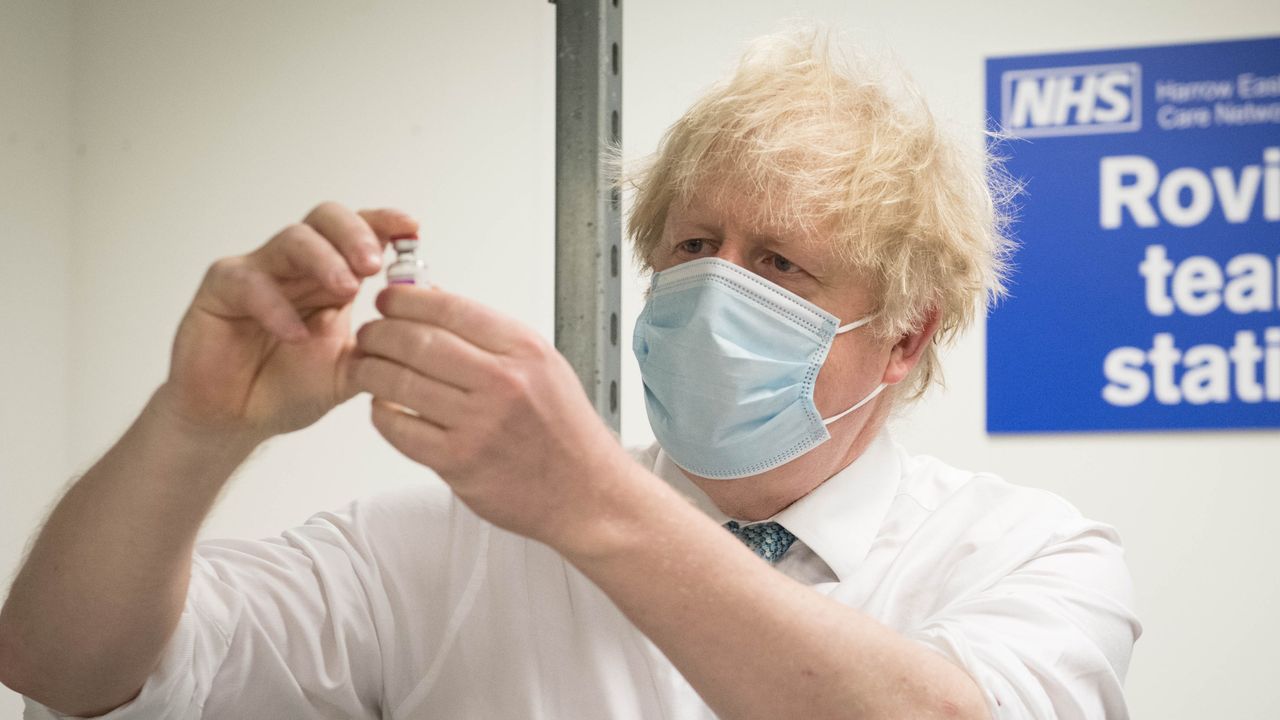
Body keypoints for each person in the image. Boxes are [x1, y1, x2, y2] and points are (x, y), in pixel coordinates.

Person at [0, 27, 1139, 720]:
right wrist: (195, 426)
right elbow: (63, 666)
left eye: (779, 264)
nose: (713, 289)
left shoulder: (1031, 558)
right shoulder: (442, 549)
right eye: (691, 249)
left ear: (902, 337)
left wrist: (589, 503)